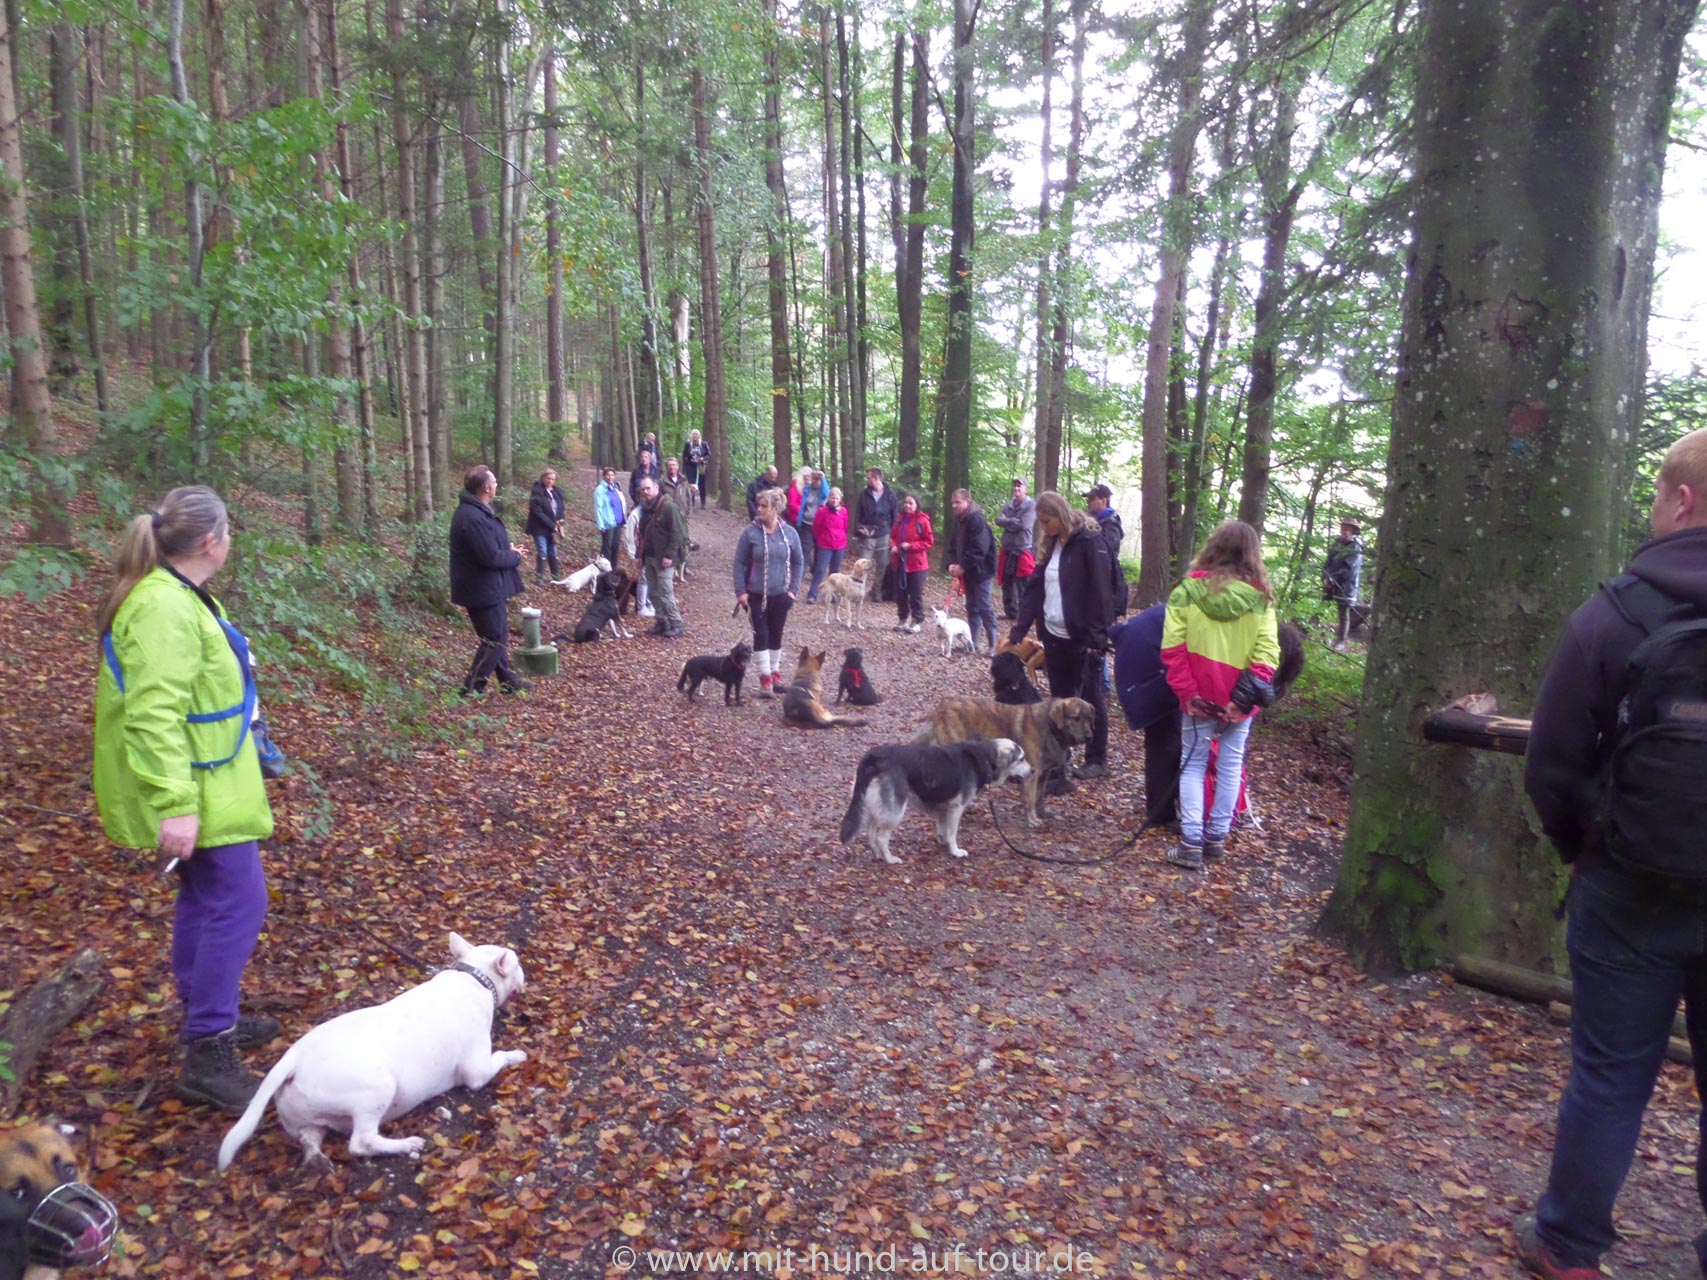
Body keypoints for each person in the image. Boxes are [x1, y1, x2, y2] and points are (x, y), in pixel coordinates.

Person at [1518, 426, 1707, 1280]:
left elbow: (1551, 761)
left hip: (1623, 887)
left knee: (1608, 1078)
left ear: (1681, 499)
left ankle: (1567, 1248)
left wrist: (1576, 849)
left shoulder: (1614, 612)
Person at [93, 486, 278, 1110]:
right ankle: (208, 1047)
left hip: (213, 779)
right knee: (239, 903)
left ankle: (208, 1014)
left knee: (206, 900)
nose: (232, 542)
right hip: (195, 787)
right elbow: (151, 714)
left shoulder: (183, 596)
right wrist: (175, 803)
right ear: (210, 541)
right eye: (230, 532)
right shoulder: (162, 608)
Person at [1160, 520, 1280, 869]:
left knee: (1194, 765)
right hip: (1237, 704)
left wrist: (1189, 694)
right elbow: (1267, 655)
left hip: (1198, 701)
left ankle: (1191, 843)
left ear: (1213, 547)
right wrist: (1241, 702)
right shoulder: (1261, 601)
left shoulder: (1186, 591)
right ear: (1251, 555)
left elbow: (1172, 649)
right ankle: (1215, 839)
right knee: (1229, 766)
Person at [1010, 492, 1112, 777]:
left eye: (1047, 521)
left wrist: (1098, 638)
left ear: (1060, 514)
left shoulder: (1090, 542)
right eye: (1041, 523)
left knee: (1090, 698)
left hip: (1083, 638)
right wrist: (1020, 628)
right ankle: (1060, 759)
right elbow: (1035, 590)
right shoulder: (1052, 545)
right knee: (1060, 700)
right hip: (1054, 635)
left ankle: (1096, 759)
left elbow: (1102, 592)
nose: (1044, 527)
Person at [449, 466, 530, 697]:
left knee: (496, 635)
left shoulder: (477, 511)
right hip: (480, 588)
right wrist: (514, 557)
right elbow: (489, 557)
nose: (496, 485)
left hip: (486, 586)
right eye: (494, 482)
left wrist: (509, 549)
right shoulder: (472, 516)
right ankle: (472, 687)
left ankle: (508, 682)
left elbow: (489, 547)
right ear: (486, 487)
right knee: (494, 639)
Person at [733, 487, 805, 698]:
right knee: (761, 634)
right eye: (759, 505)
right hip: (755, 595)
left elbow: (799, 562)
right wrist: (740, 592)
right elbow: (739, 562)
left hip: (781, 595)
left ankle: (774, 675)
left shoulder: (790, 533)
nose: (759, 509)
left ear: (776, 508)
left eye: (764, 506)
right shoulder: (750, 532)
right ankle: (764, 679)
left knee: (776, 634)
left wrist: (793, 591)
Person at [947, 488, 999, 656]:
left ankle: (994, 644)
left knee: (984, 606)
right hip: (968, 572)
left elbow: (980, 548)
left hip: (982, 571)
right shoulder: (959, 521)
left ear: (967, 502)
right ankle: (974, 642)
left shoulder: (977, 520)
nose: (954, 505)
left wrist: (963, 566)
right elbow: (953, 547)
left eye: (958, 502)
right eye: (953, 502)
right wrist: (952, 564)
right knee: (971, 607)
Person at [636, 477, 685, 638]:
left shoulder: (668, 507)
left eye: (648, 488)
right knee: (653, 592)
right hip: (649, 556)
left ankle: (676, 623)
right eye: (643, 489)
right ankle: (661, 621)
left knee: (666, 591)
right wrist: (640, 555)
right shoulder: (645, 508)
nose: (645, 492)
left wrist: (670, 555)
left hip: (664, 557)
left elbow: (677, 533)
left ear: (656, 488)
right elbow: (642, 533)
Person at [890, 493, 934, 633]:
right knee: (900, 593)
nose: (907, 505)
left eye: (911, 503)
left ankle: (916, 620)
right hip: (900, 561)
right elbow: (892, 536)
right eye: (906, 503)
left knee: (916, 594)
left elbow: (928, 542)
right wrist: (893, 547)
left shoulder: (922, 521)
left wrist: (911, 546)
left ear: (916, 505)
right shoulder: (899, 520)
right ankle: (902, 619)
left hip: (917, 564)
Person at [1085, 483, 1129, 619]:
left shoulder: (1111, 524)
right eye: (1088, 499)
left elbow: (1106, 550)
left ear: (1103, 501)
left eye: (1092, 499)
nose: (1088, 502)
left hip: (1105, 577)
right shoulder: (1092, 520)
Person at [854, 468, 898, 602]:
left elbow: (894, 516)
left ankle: (876, 590)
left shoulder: (890, 495)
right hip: (867, 533)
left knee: (883, 564)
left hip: (884, 533)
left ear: (877, 478)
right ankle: (858, 591)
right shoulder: (864, 495)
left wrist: (893, 536)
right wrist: (859, 529)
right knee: (862, 563)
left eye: (869, 478)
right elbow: (858, 515)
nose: (867, 480)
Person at [996, 478, 1037, 619]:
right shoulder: (1009, 505)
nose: (1017, 488)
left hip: (1023, 551)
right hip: (1007, 550)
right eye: (1015, 486)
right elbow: (998, 520)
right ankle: (1010, 613)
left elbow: (1024, 524)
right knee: (1007, 583)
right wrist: (1012, 521)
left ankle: (1025, 615)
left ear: (1026, 488)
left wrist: (1007, 521)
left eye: (1020, 486)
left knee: (1023, 585)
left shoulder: (1031, 506)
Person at [1322, 517, 1365, 651]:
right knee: (1330, 608)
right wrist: (1325, 577)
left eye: (1348, 528)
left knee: (1343, 612)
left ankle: (1341, 640)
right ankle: (1323, 635)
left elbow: (1349, 569)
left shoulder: (1355, 546)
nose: (1344, 531)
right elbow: (1328, 562)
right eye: (1343, 528)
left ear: (1353, 530)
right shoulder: (1337, 543)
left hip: (1347, 585)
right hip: (1331, 582)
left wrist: (1333, 580)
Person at [808, 486, 849, 604]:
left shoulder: (844, 511)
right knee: (820, 570)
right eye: (832, 498)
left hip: (839, 544)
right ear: (829, 498)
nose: (834, 500)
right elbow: (816, 528)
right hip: (825, 544)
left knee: (835, 571)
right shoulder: (822, 511)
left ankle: (833, 595)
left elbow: (845, 526)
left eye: (836, 498)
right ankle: (812, 594)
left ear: (840, 499)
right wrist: (822, 538)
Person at [525, 468, 567, 584]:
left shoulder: (557, 492)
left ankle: (555, 576)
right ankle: (540, 577)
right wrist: (551, 524)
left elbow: (561, 508)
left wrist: (560, 520)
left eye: (552, 479)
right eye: (548, 478)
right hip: (539, 527)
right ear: (543, 478)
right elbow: (537, 511)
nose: (550, 481)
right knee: (542, 550)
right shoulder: (537, 491)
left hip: (553, 528)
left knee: (553, 551)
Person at [661, 456, 694, 577]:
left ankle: (685, 566)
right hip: (669, 517)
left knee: (685, 542)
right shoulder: (662, 482)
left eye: (674, 465)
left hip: (683, 516)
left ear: (678, 466)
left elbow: (688, 497)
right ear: (666, 467)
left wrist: (688, 512)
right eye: (669, 465)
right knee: (672, 540)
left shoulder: (683, 480)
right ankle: (673, 566)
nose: (672, 467)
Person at [797, 468, 830, 567]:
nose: (815, 481)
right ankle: (801, 572)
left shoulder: (822, 491)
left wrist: (823, 478)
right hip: (806, 523)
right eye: (814, 479)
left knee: (819, 549)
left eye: (817, 479)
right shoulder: (807, 488)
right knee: (806, 549)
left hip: (819, 526)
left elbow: (826, 493)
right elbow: (803, 503)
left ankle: (815, 571)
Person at [594, 466, 627, 566]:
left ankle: (613, 569)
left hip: (617, 522)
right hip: (607, 523)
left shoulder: (615, 488)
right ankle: (604, 570)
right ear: (604, 476)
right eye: (608, 475)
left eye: (612, 475)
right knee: (607, 548)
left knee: (615, 547)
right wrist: (601, 525)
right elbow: (598, 508)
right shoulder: (600, 490)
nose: (610, 477)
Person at [684, 429, 711, 508]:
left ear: (699, 435)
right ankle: (691, 502)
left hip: (701, 467)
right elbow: (685, 455)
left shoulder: (704, 444)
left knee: (701, 484)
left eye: (696, 434)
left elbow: (708, 455)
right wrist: (685, 466)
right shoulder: (688, 444)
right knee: (691, 484)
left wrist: (703, 458)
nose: (695, 436)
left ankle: (703, 503)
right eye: (693, 434)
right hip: (690, 466)